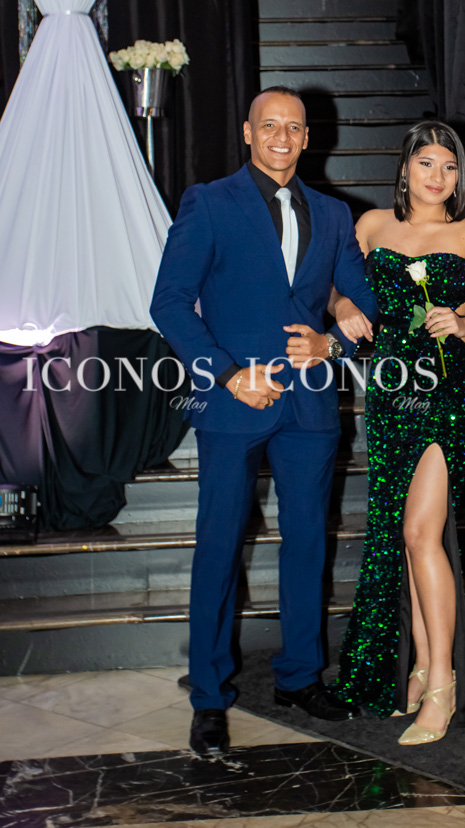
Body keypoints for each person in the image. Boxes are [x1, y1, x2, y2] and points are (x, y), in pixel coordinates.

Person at [150, 86, 378, 756]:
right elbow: (169, 302)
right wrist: (225, 373)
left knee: (307, 542)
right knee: (220, 545)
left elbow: (365, 302)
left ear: (308, 137)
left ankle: (300, 676)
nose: (282, 137)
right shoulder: (209, 202)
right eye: (269, 125)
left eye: (293, 127)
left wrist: (333, 343)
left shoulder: (334, 213)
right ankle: (209, 695)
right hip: (232, 402)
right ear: (248, 133)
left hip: (310, 404)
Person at [330, 120, 465, 745]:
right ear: (406, 167)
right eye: (427, 163)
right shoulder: (370, 226)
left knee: (419, 530)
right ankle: (417, 666)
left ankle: (443, 682)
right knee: (404, 534)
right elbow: (334, 285)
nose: (438, 177)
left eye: (449, 166)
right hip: (390, 394)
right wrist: (343, 306)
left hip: (452, 391)